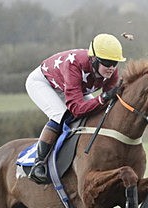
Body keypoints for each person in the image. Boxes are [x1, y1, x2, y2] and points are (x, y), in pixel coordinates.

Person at [24, 33, 126, 183]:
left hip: (74, 87)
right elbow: (76, 108)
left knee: (96, 113)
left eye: (115, 63)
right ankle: (38, 163)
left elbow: (109, 105)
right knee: (61, 116)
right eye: (106, 62)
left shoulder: (111, 71)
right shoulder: (74, 65)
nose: (111, 68)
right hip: (43, 83)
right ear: (94, 59)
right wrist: (102, 98)